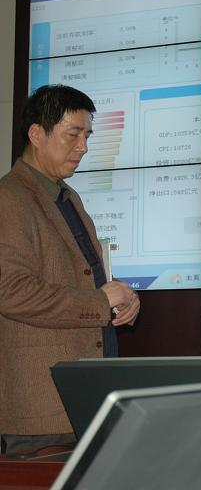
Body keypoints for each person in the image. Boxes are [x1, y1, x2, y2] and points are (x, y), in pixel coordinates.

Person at [0, 84, 140, 455]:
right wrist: (99, 302)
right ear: (36, 134)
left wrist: (122, 299)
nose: (84, 147)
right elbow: (10, 292)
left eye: (87, 136)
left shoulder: (67, 197)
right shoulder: (8, 199)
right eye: (73, 134)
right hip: (41, 410)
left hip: (85, 401)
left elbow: (85, 280)